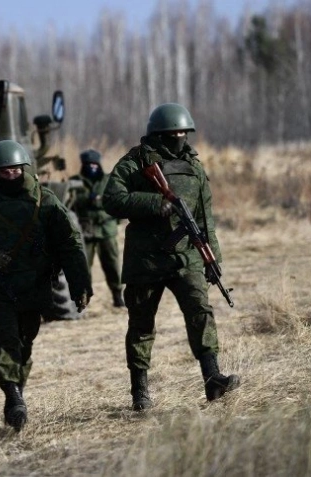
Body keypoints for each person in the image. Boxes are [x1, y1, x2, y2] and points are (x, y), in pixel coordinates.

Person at [102, 103, 240, 411]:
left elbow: (205, 218)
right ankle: (140, 392)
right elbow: (111, 198)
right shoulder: (136, 161)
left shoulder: (194, 166)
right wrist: (154, 203)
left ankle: (213, 379)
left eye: (183, 133)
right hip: (146, 260)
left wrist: (212, 258)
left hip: (186, 257)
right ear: (159, 134)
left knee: (201, 312)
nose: (179, 138)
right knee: (141, 325)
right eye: (173, 133)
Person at [0, 139, 92, 432]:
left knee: (25, 343)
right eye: (5, 171)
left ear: (25, 169)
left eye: (16, 170)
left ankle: (16, 392)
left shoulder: (44, 200)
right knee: (6, 340)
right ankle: (13, 396)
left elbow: (69, 243)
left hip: (34, 286)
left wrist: (80, 285)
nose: (11, 175)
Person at [68, 149, 125, 308]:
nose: (92, 167)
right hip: (86, 230)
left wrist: (100, 202)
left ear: (99, 165)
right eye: (88, 164)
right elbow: (71, 202)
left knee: (112, 264)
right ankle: (84, 298)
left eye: (94, 164)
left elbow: (117, 200)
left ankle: (117, 295)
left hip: (107, 229)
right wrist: (88, 199)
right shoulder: (75, 182)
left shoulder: (109, 180)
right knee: (84, 266)